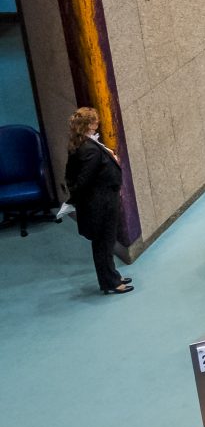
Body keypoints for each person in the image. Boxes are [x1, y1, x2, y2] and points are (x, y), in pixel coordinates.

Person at [64, 107, 129, 295]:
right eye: (95, 122)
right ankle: (110, 282)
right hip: (101, 204)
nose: (98, 124)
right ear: (89, 124)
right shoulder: (89, 150)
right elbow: (85, 179)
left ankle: (112, 275)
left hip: (102, 201)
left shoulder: (83, 143)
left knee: (106, 243)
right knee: (104, 244)